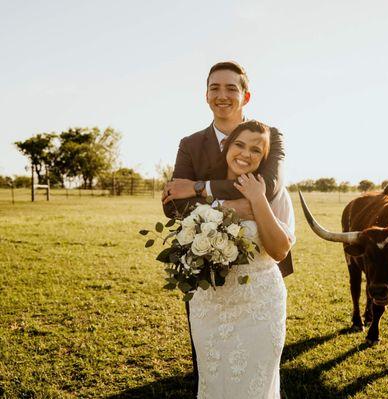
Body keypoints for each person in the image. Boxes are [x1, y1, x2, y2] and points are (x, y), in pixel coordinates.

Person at [160, 61, 293, 393]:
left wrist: (200, 188)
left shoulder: (270, 136)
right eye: (214, 88)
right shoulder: (190, 144)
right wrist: (239, 203)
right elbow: (173, 205)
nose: (222, 95)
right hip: (206, 283)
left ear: (246, 95)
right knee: (211, 374)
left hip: (258, 283)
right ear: (205, 95)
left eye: (231, 88)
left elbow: (267, 189)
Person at [188, 120, 294, 398]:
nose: (246, 154)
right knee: (213, 383)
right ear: (226, 146)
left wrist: (258, 201)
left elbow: (280, 250)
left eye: (256, 151)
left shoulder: (275, 194)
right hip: (209, 305)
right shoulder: (202, 188)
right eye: (240, 145)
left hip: (259, 305)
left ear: (264, 158)